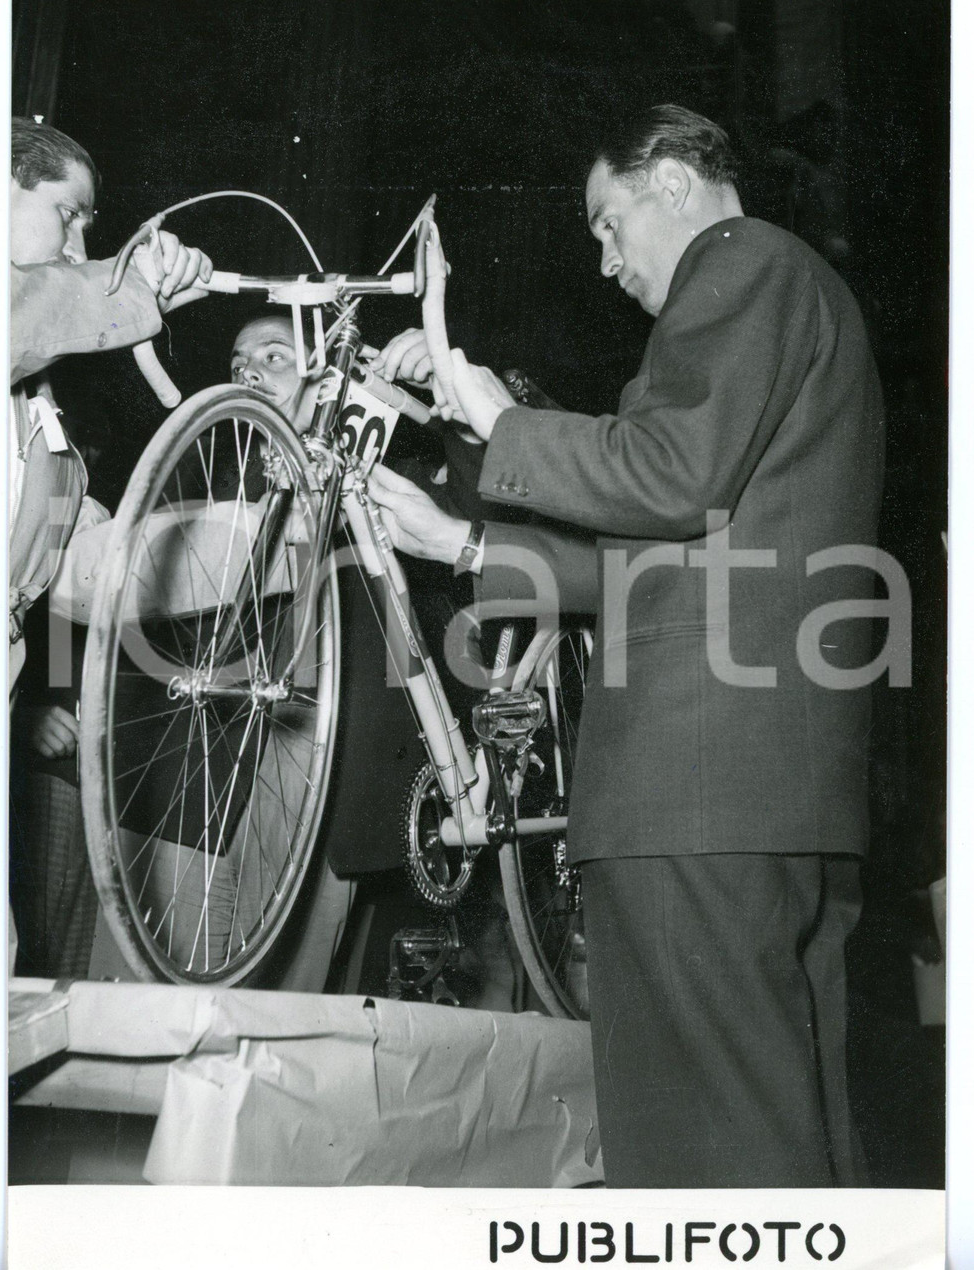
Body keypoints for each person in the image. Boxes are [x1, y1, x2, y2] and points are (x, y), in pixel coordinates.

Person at [366, 104, 885, 1187]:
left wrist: (493, 416)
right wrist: (460, 539)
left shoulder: (740, 267)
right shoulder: (789, 295)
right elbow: (671, 553)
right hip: (751, 791)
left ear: (670, 180)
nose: (604, 263)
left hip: (700, 784)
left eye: (607, 224)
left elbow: (670, 472)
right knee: (774, 1124)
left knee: (707, 1142)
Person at [9, 116, 212, 974]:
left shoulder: (33, 399)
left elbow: (61, 544)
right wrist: (138, 282)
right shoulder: (14, 317)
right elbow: (34, 305)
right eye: (68, 211)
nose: (79, 238)